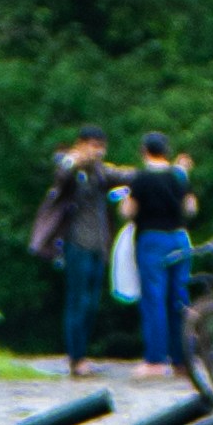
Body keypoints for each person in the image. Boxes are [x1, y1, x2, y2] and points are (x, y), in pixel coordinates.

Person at [33, 129, 118, 371]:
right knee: (77, 301)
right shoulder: (69, 166)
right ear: (80, 144)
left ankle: (82, 354)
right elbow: (62, 176)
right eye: (93, 145)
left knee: (91, 303)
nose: (98, 151)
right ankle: (75, 357)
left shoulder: (101, 172)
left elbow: (125, 175)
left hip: (98, 245)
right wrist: (75, 160)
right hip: (76, 243)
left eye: (101, 146)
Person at [127, 127, 196, 375]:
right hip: (179, 239)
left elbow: (129, 211)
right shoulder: (178, 177)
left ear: (144, 151)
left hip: (152, 238)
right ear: (166, 152)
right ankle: (182, 360)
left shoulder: (141, 179)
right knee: (179, 298)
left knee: (154, 298)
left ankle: (155, 360)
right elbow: (190, 208)